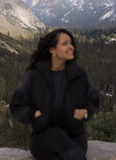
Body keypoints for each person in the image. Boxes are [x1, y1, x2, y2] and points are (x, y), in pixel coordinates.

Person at [9, 28, 99, 160]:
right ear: (52, 50)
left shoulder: (80, 76)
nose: (71, 47)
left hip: (75, 137)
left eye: (71, 43)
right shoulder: (34, 76)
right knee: (56, 135)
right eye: (65, 44)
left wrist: (85, 112)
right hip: (43, 139)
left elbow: (94, 100)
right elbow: (16, 106)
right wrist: (33, 114)